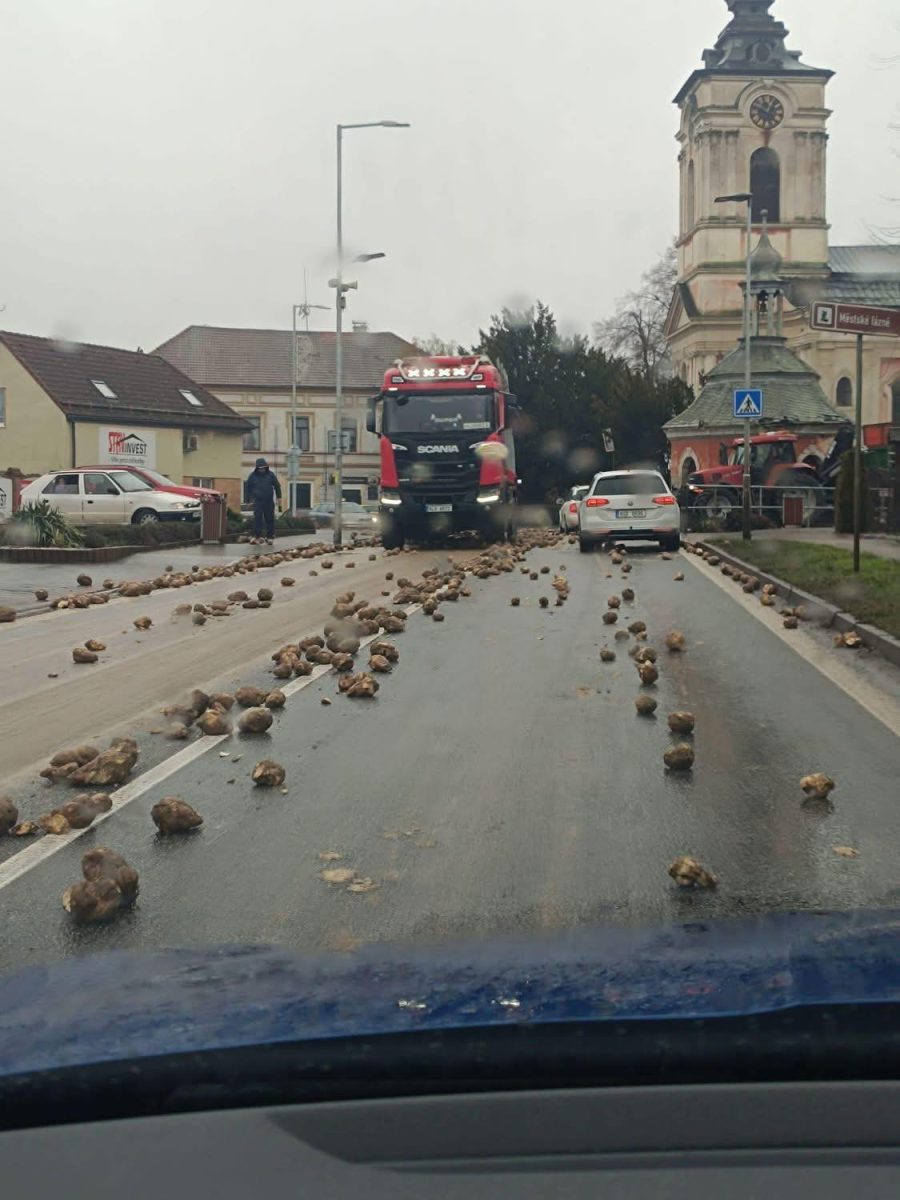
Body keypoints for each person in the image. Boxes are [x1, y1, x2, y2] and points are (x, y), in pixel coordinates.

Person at [243, 458, 281, 544]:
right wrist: (248, 500)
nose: (262, 470)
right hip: (258, 501)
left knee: (270, 519)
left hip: (269, 501)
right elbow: (248, 488)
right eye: (260, 468)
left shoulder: (270, 475)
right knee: (258, 518)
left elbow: (277, 486)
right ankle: (257, 536)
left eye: (263, 468)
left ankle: (269, 537)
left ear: (266, 467)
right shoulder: (252, 476)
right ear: (257, 468)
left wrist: (279, 497)